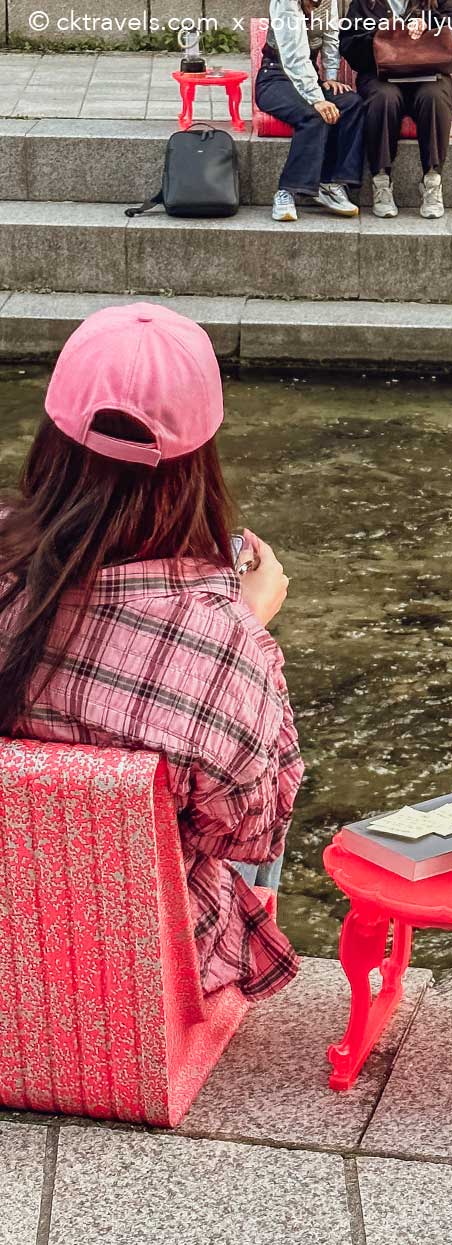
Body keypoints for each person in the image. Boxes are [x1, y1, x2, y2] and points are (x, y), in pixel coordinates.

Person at [0, 303, 304, 1001]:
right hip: (142, 973)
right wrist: (250, 629)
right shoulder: (220, 642)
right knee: (254, 782)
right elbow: (254, 832)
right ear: (201, 458)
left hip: (10, 932)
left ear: (53, 432)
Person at [340, 0, 452, 219]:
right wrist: (382, 33)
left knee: (434, 96)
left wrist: (429, 22)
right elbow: (348, 44)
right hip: (381, 74)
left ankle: (432, 180)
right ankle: (381, 179)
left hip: (431, 72)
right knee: (383, 98)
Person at [257, 0, 366, 222]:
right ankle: (286, 191)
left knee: (352, 104)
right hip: (276, 76)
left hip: (310, 76)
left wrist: (331, 78)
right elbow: (294, 55)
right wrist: (316, 99)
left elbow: (331, 36)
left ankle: (331, 182)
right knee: (313, 115)